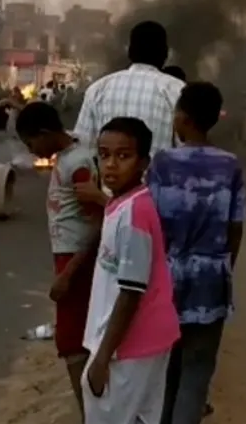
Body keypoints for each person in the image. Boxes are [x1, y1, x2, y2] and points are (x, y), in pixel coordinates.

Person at [147, 83, 246, 424]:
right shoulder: (230, 166)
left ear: (185, 119)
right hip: (211, 280)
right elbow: (236, 228)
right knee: (197, 370)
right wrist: (223, 268)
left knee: (165, 369)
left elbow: (152, 224)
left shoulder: (162, 163)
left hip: (167, 277)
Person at [83, 117, 180, 424]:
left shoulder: (135, 212)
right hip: (142, 340)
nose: (111, 164)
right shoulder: (121, 204)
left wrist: (102, 358)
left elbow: (130, 293)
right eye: (104, 154)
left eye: (123, 156)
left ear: (143, 163)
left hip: (130, 345)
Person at [15, 101, 102, 417]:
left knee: (71, 342)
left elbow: (98, 220)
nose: (31, 149)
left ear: (44, 133)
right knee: (75, 339)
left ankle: (90, 415)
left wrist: (68, 274)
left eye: (30, 142)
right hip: (71, 259)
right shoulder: (73, 151)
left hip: (78, 261)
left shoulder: (77, 164)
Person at [74, 21, 184, 159]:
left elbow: (84, 150)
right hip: (160, 180)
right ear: (165, 53)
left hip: (109, 180)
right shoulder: (177, 90)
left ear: (129, 51)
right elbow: (185, 153)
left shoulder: (97, 89)